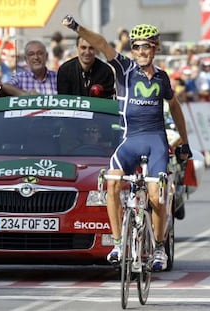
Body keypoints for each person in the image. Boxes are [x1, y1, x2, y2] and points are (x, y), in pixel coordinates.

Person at [62, 15, 192, 271]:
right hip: (129, 141)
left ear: (155, 48)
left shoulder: (162, 78)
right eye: (136, 46)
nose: (141, 51)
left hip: (155, 142)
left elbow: (174, 105)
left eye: (146, 46)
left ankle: (157, 248)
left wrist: (184, 142)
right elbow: (100, 42)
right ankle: (119, 244)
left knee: (156, 196)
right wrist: (77, 27)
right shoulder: (124, 68)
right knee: (111, 183)